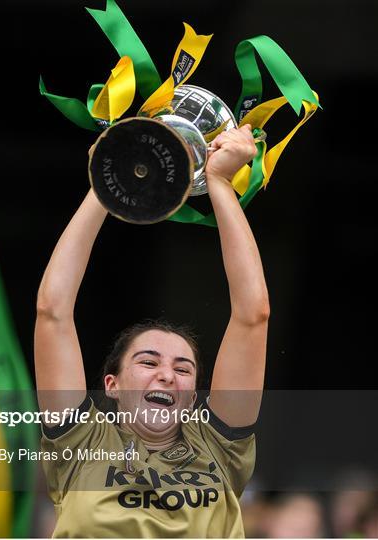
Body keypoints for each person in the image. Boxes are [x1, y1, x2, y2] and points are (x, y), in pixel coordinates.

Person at [35, 124, 270, 538]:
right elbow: (53, 312)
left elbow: (252, 315)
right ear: (111, 383)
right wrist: (106, 181)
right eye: (148, 361)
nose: (167, 374)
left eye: (183, 368)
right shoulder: (80, 444)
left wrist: (219, 183)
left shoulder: (218, 446)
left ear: (195, 392)